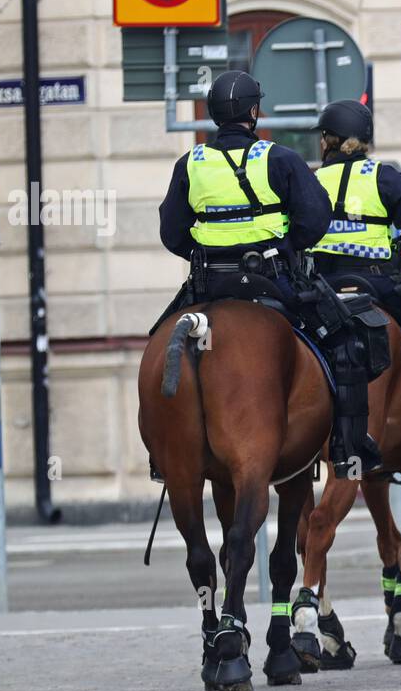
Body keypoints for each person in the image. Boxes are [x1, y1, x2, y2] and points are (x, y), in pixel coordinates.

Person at [156, 70, 381, 477]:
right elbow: (315, 217)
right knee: (346, 343)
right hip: (273, 280)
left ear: (212, 114)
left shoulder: (191, 163)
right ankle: (350, 450)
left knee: (160, 342)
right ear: (254, 111)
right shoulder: (279, 158)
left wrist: (203, 253)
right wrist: (287, 247)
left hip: (210, 282)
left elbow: (171, 231)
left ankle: (163, 454)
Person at [309, 99, 401, 348]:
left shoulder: (311, 180)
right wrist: (398, 258)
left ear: (329, 140)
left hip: (323, 283)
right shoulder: (387, 178)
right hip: (379, 282)